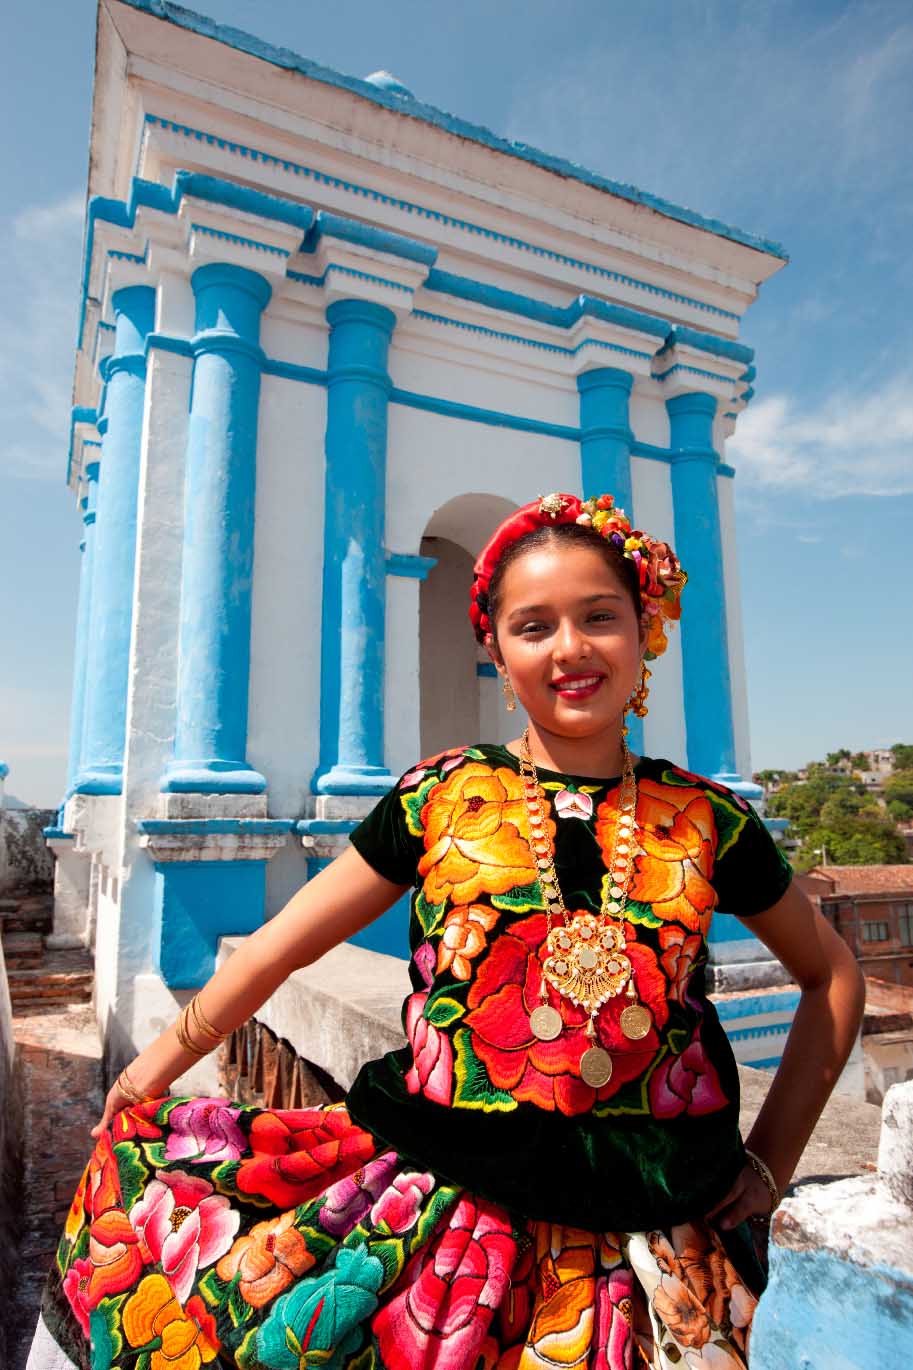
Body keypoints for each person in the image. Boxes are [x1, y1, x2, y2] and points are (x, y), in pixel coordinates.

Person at [31, 491, 864, 1370]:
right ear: (499, 654)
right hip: (444, 1224)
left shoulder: (706, 818)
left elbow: (833, 976)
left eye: (598, 617)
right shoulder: (442, 795)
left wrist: (771, 1163)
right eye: (533, 626)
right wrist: (148, 1071)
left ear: (643, 630)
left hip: (658, 1245)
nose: (570, 649)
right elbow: (284, 945)